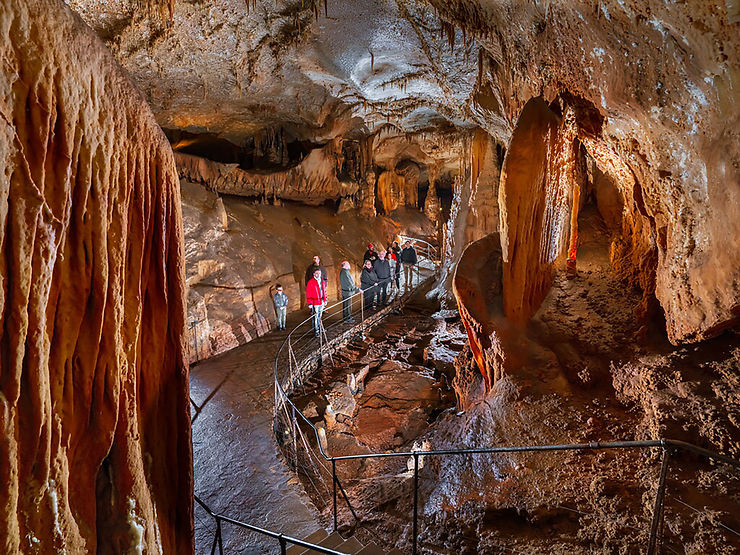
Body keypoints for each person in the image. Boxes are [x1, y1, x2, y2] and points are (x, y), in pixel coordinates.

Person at [306, 268, 327, 336]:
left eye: (319, 273)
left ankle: (320, 327)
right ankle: (316, 330)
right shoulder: (311, 282)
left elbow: (324, 291)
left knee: (320, 316)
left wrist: (325, 299)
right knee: (315, 316)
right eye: (317, 273)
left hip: (321, 301)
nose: (318, 275)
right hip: (315, 302)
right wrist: (310, 303)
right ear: (314, 274)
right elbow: (308, 293)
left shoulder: (322, 281)